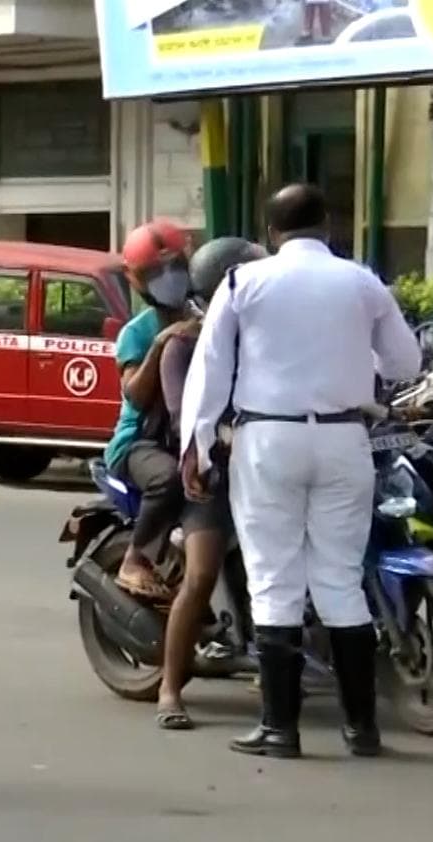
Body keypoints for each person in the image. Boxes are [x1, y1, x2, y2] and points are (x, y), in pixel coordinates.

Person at [181, 183, 421, 759]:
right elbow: (406, 362)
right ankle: (362, 729)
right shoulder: (362, 281)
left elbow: (210, 369)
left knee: (273, 580)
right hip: (344, 440)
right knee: (341, 579)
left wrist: (198, 442)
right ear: (330, 226)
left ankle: (279, 729)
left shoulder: (243, 281)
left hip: (269, 439)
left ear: (270, 234)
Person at [154, 237, 268, 731]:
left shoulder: (263, 339)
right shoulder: (183, 344)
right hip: (206, 473)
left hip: (265, 469)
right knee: (201, 575)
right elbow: (187, 421)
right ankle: (169, 688)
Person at [104, 218, 199, 602]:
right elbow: (136, 397)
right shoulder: (137, 333)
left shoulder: (207, 313)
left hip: (193, 433)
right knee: (169, 479)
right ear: (135, 279)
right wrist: (161, 345)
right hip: (141, 442)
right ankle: (135, 558)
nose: (168, 278)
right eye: (155, 272)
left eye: (175, 267)